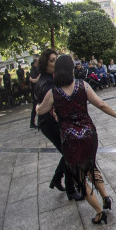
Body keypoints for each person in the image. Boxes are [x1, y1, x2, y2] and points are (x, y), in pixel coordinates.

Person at [37, 55, 116, 224]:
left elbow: (41, 111)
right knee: (91, 166)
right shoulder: (82, 85)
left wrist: (37, 107)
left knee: (80, 176)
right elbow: (100, 104)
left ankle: (99, 212)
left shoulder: (53, 93)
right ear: (70, 69)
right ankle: (105, 197)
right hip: (89, 134)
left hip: (70, 139)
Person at [34, 49, 81, 201]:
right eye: (52, 60)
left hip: (54, 122)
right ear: (45, 64)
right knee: (69, 153)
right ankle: (70, 189)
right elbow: (50, 102)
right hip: (49, 124)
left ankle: (57, 178)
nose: (55, 63)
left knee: (68, 151)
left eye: (56, 59)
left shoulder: (51, 78)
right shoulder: (46, 82)